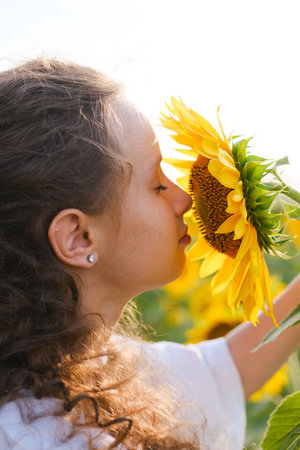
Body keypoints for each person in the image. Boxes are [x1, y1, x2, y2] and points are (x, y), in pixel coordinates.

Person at [0, 57, 299, 450]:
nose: (186, 199)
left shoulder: (78, 362)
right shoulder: (42, 438)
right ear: (78, 237)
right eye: (157, 184)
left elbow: (222, 371)